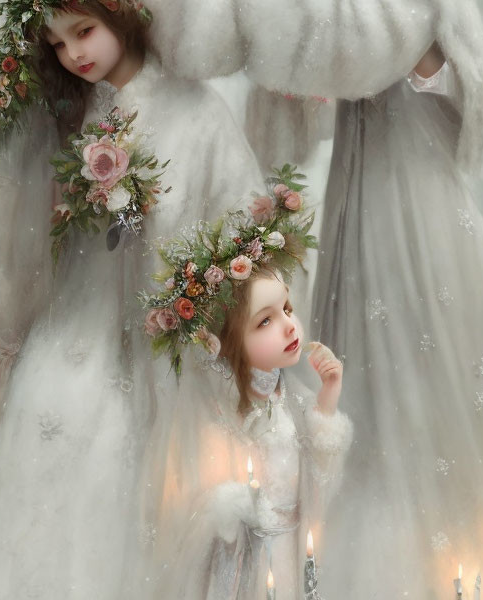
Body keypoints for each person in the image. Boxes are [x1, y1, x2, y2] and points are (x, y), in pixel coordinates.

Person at [134, 0, 483, 598]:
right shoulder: (312, 4)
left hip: (429, 196)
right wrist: (304, 75)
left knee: (452, 379)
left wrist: (423, 65)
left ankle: (473, 570)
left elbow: (475, 93)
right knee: (368, 392)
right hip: (361, 198)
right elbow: (285, 125)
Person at [0, 0, 262, 600]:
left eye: (84, 30)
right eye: (56, 43)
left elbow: (248, 251)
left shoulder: (199, 114)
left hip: (161, 387)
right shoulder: (64, 128)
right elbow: (23, 286)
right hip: (58, 378)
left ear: (123, 10)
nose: (74, 53)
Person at [138, 180, 352, 599]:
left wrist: (327, 399)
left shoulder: (289, 400)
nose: (290, 325)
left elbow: (321, 480)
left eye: (286, 309)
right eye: (265, 320)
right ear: (231, 342)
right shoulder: (219, 414)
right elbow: (190, 500)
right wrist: (229, 506)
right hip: (244, 567)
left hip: (290, 554)